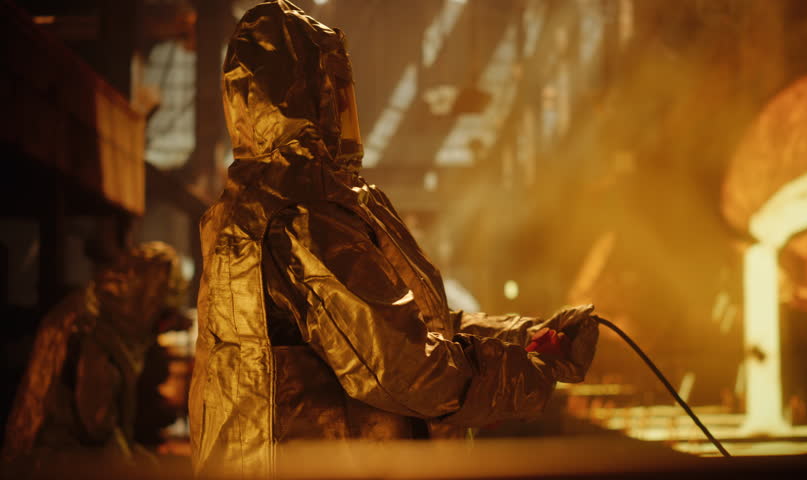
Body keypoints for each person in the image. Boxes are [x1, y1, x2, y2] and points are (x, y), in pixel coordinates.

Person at [189, 1, 599, 475]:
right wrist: (526, 370)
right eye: (333, 90)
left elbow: (413, 322)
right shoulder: (302, 214)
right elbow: (403, 368)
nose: (343, 108)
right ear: (305, 97)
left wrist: (527, 337)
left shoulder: (262, 203)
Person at [2, 241, 188, 469]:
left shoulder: (99, 315)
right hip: (51, 465)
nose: (157, 327)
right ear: (144, 298)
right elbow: (99, 425)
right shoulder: (93, 331)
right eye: (160, 312)